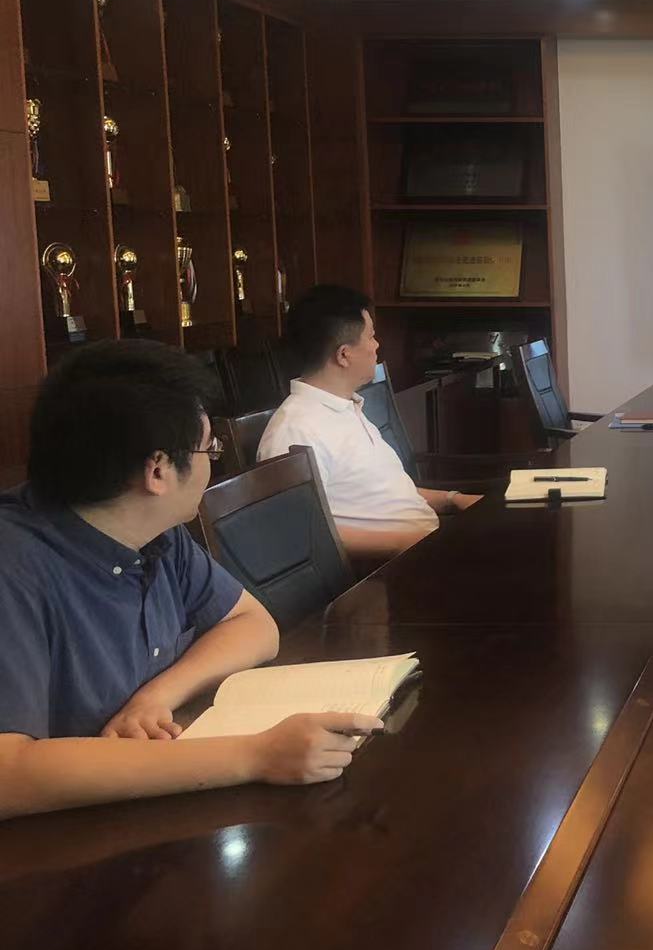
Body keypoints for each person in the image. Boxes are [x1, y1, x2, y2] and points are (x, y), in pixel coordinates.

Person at [0, 340, 381, 821]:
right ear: (158, 471)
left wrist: (155, 697)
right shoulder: (14, 566)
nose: (212, 462)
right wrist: (256, 755)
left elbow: (254, 625)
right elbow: (7, 774)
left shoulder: (152, 530)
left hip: (144, 807)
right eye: (209, 448)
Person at [260, 284, 477, 559]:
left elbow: (381, 494)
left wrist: (451, 499)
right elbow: (297, 533)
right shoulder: (295, 430)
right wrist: (402, 542)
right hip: (393, 567)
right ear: (344, 355)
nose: (377, 345)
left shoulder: (346, 406)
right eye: (371, 336)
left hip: (430, 540)